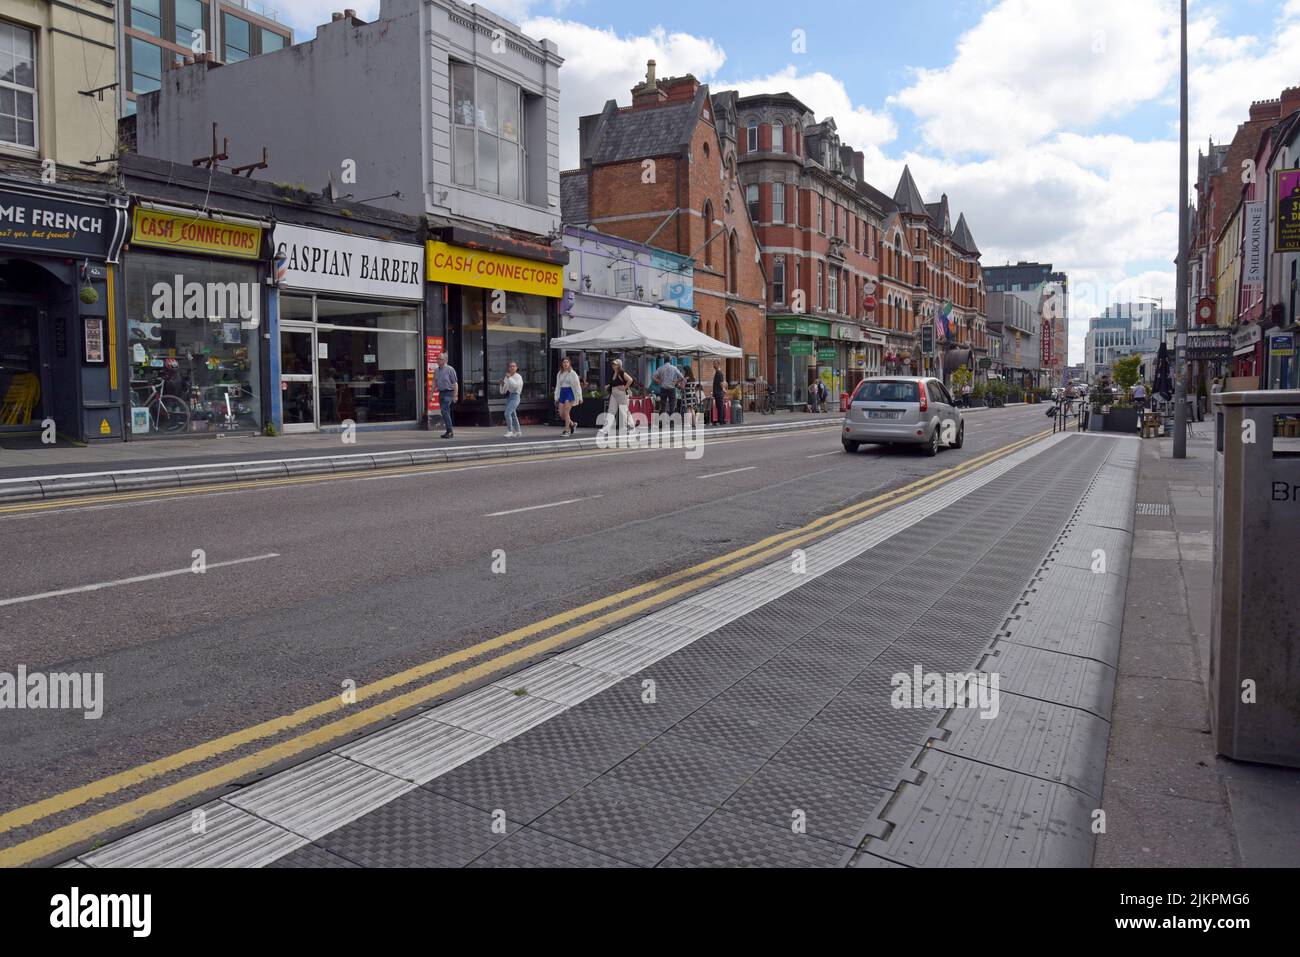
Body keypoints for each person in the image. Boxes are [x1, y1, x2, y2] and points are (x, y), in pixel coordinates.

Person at [554, 356, 582, 436]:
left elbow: (577, 386)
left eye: (567, 362)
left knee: (566, 412)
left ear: (569, 363)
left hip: (570, 393)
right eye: (564, 362)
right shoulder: (559, 373)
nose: (565, 364)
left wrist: (580, 397)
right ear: (562, 364)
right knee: (562, 415)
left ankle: (567, 430)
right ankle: (572, 424)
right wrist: (556, 397)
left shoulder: (573, 373)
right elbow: (557, 386)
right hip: (562, 392)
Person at [606, 358, 634, 434]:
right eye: (613, 364)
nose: (613, 365)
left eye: (615, 364)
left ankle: (630, 426)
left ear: (619, 365)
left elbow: (630, 380)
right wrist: (608, 385)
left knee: (624, 410)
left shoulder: (622, 372)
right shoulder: (613, 373)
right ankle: (606, 428)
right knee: (611, 410)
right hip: (614, 393)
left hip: (622, 394)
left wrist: (624, 387)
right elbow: (614, 383)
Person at [434, 351, 459, 438]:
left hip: (449, 392)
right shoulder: (436, 371)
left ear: (444, 360)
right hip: (441, 393)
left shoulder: (450, 369)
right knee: (444, 411)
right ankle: (448, 431)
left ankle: (450, 431)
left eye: (439, 359)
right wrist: (430, 394)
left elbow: (455, 383)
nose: (437, 361)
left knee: (444, 410)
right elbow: (434, 383)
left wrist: (455, 395)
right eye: (437, 359)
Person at [500, 361, 523, 437]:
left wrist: (509, 378)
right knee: (513, 414)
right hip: (509, 396)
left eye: (513, 366)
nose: (512, 367)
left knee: (507, 413)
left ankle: (510, 431)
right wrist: (501, 385)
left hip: (516, 396)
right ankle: (518, 431)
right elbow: (503, 391)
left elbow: (516, 386)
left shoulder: (518, 377)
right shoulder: (507, 377)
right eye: (510, 366)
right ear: (508, 368)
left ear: (516, 368)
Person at [711, 359, 727, 425]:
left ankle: (721, 421)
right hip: (717, 393)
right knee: (719, 407)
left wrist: (724, 390)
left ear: (718, 364)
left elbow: (721, 383)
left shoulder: (719, 373)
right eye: (713, 363)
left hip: (719, 393)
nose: (714, 365)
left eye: (715, 364)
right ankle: (721, 420)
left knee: (720, 407)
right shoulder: (717, 372)